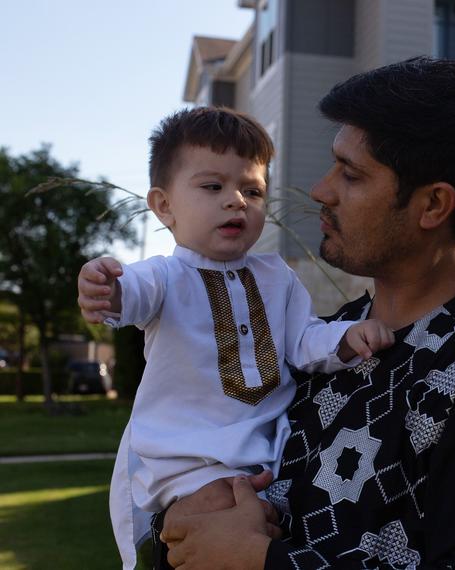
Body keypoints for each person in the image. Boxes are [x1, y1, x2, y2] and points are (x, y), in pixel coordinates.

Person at [156, 57, 455, 569]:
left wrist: (261, 561)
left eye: (351, 174)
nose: (321, 190)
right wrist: (180, 522)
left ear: (433, 206)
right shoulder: (326, 338)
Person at [76, 107, 394, 570]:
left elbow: (304, 341)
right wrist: (107, 286)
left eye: (252, 190)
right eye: (212, 187)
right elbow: (133, 295)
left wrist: (347, 338)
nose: (236, 201)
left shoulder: (276, 276)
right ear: (164, 206)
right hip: (189, 469)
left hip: (264, 465)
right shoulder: (165, 277)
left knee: (260, 534)